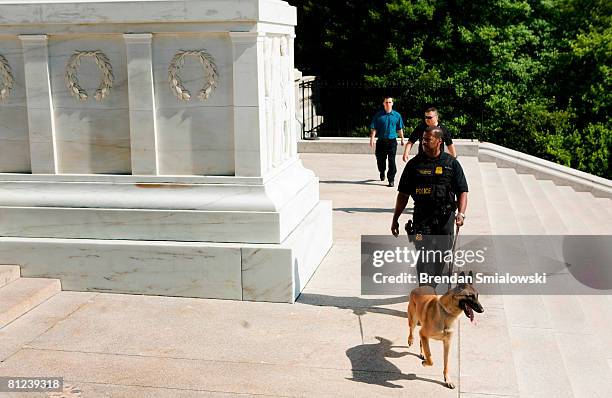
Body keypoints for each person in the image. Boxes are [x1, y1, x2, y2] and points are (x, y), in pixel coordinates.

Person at [391, 126, 468, 288]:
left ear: (439, 141)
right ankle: (425, 289)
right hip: (421, 219)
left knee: (442, 253)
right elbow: (403, 195)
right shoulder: (414, 165)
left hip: (445, 219)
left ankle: (430, 285)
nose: (423, 142)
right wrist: (395, 218)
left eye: (427, 139)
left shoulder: (451, 164)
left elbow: (462, 191)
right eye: (422, 139)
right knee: (422, 252)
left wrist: (461, 213)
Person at [369, 96, 405, 187]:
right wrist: (372, 138)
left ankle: (391, 179)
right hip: (381, 141)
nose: (388, 104)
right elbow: (374, 128)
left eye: (389, 102)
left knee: (391, 160)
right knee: (380, 160)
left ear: (392, 103)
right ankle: (382, 171)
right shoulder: (379, 115)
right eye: (386, 102)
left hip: (392, 141)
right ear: (383, 103)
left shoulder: (397, 115)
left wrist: (402, 138)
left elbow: (399, 128)